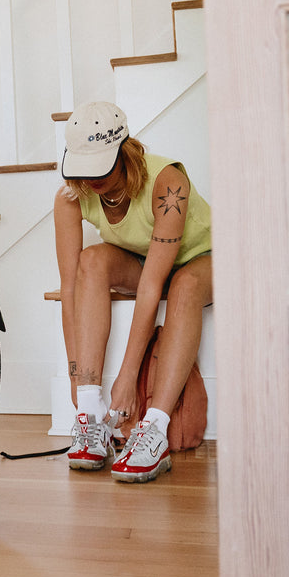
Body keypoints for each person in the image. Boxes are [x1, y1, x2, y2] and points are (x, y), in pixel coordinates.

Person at [53, 101, 212, 482]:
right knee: (90, 261)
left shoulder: (168, 182)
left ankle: (154, 428)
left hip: (204, 257)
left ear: (126, 151)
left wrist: (126, 379)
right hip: (143, 259)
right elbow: (70, 288)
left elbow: (153, 285)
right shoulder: (71, 197)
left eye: (100, 168)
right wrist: (78, 379)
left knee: (185, 285)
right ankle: (90, 422)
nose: (91, 180)